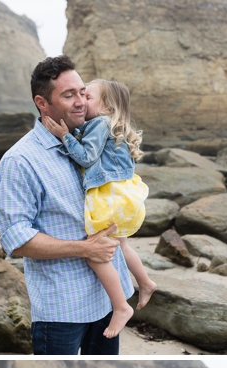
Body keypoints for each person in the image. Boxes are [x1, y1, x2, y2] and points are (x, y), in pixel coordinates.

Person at [0, 55, 133, 355]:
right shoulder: (20, 161)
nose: (81, 102)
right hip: (63, 308)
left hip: (107, 298)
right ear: (42, 103)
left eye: (83, 92)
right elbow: (16, 238)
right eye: (69, 95)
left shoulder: (92, 139)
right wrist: (84, 248)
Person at [41, 77, 156, 338]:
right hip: (123, 195)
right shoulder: (112, 125)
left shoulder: (99, 124)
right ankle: (146, 282)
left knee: (94, 253)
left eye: (87, 96)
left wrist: (64, 136)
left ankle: (121, 306)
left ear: (107, 108)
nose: (81, 101)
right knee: (122, 246)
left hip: (108, 198)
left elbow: (86, 156)